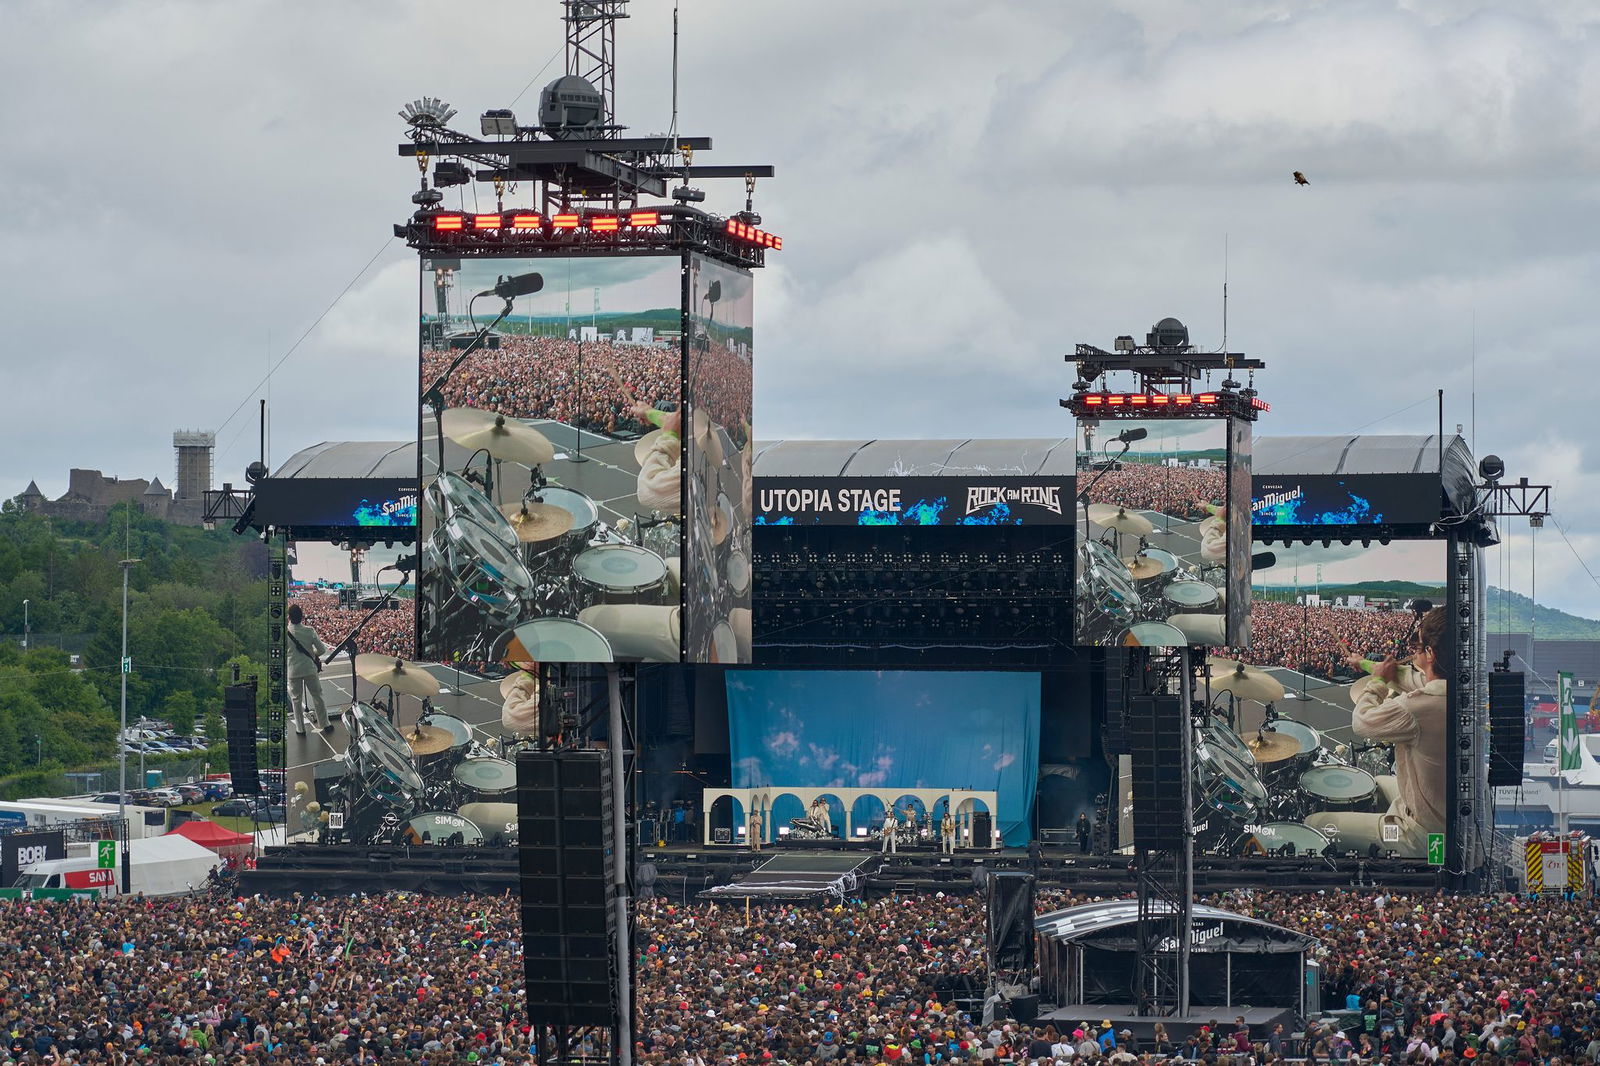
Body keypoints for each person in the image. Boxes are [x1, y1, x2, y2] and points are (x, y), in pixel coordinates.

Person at [1307, 606, 1448, 855]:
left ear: (1430, 653)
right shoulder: (1455, 688)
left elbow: (1362, 722)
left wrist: (1377, 683)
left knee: (1316, 823)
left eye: (1419, 647)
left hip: (1422, 836)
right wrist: (1362, 663)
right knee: (1379, 783)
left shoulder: (1417, 707)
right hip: (1446, 818)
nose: (1413, 651)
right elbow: (1404, 675)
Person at [285, 603, 330, 734]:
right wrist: (312, 654)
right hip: (309, 668)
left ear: (289, 617)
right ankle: (325, 724)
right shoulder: (309, 631)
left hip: (293, 670)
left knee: (296, 700)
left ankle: (300, 729)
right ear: (302, 617)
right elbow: (322, 649)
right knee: (317, 696)